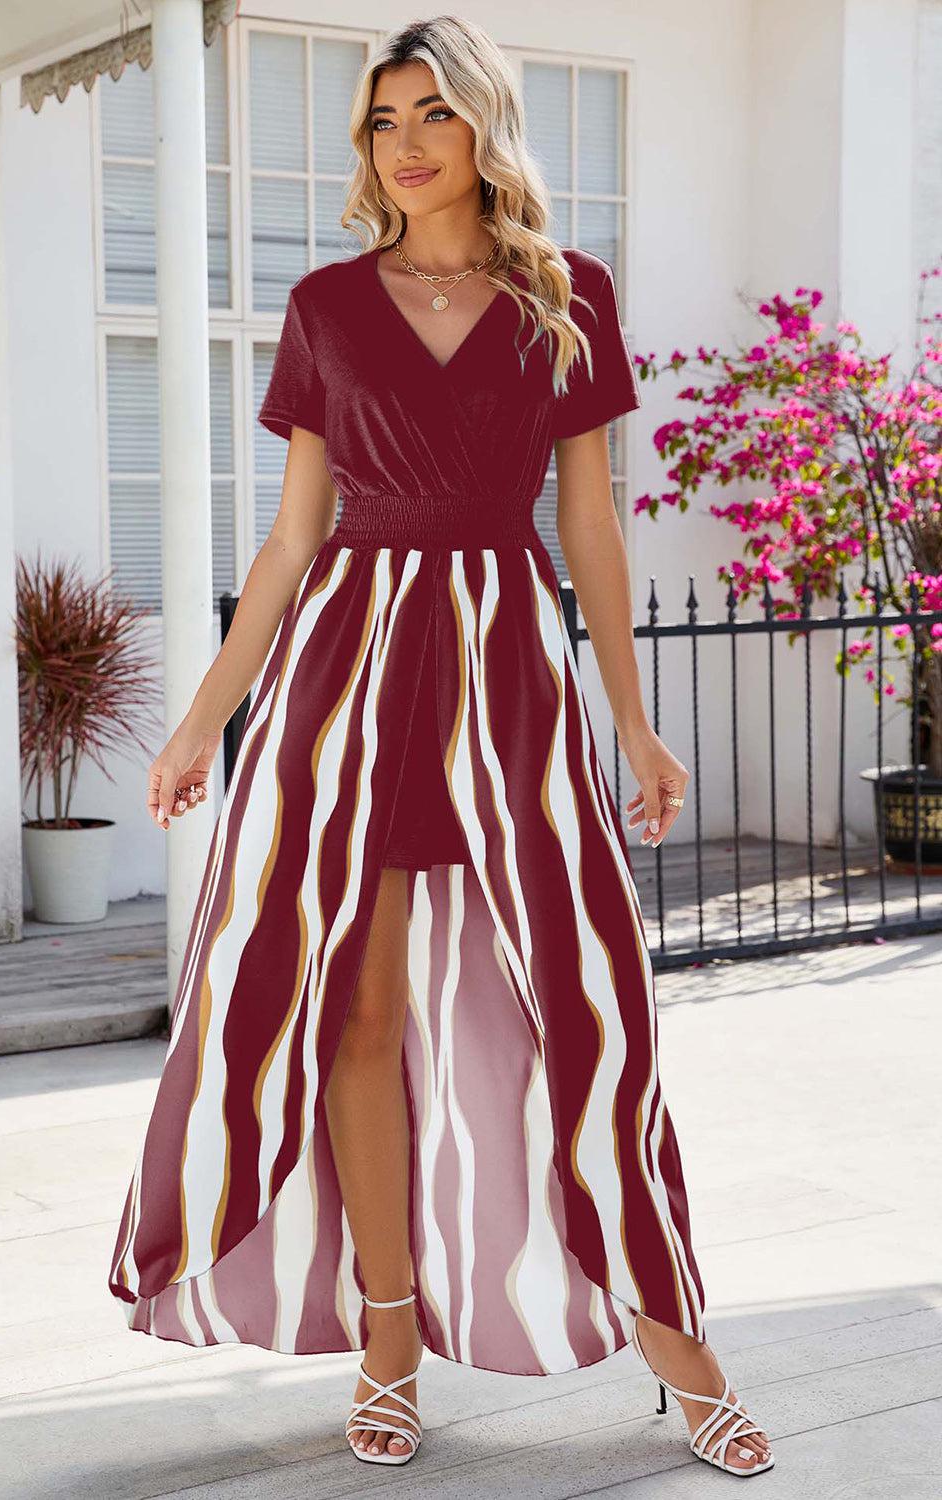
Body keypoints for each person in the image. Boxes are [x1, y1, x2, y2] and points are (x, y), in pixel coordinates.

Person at [107, 14, 773, 1481]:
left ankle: (674, 1336)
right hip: (345, 670)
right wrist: (203, 720)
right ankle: (390, 1340)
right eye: (381, 122)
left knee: (591, 1001)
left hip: (510, 671)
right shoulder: (330, 307)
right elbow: (290, 544)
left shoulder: (563, 293)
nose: (404, 144)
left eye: (431, 116)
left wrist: (634, 719)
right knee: (351, 1003)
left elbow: (590, 525)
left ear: (481, 129)